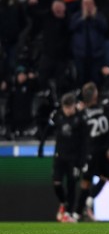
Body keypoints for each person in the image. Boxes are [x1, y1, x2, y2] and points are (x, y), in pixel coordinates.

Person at [72, 82, 109, 222]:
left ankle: (78, 213)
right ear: (95, 95)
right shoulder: (103, 108)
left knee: (88, 182)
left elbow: (80, 134)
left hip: (93, 151)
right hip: (103, 151)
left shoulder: (84, 113)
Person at [38, 92, 82, 222]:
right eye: (66, 107)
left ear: (74, 105)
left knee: (71, 184)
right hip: (60, 156)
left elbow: (84, 139)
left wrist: (83, 159)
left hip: (74, 157)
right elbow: (47, 130)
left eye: (70, 107)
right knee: (56, 183)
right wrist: (41, 146)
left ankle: (68, 213)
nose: (68, 110)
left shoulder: (80, 118)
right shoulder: (57, 116)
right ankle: (63, 203)